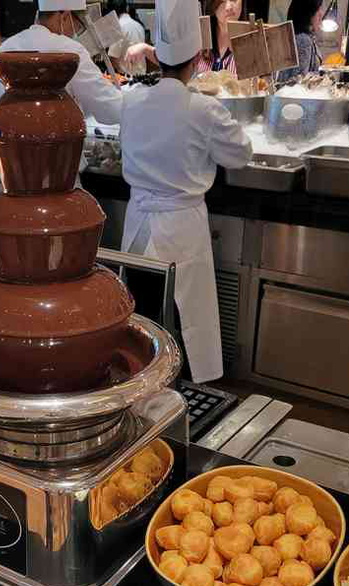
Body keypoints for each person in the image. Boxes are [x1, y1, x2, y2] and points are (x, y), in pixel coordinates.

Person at [120, 0, 252, 384]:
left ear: (156, 58)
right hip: (181, 226)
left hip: (138, 222)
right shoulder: (204, 109)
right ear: (197, 59)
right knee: (185, 320)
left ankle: (140, 388)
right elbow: (240, 154)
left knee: (141, 316)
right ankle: (185, 394)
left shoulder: (131, 100)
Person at [0, 0, 122, 125]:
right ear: (64, 16)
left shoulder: (5, 47)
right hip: (58, 145)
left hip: (9, 145)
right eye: (78, 26)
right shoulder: (70, 50)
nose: (76, 32)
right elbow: (110, 109)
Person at [278, 0, 325, 82]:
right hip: (294, 93)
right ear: (308, 14)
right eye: (318, 10)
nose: (321, 14)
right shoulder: (303, 40)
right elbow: (298, 80)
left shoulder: (301, 37)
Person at [194, 0, 245, 76]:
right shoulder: (199, 37)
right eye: (222, 1)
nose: (229, 7)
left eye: (233, 0)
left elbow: (263, 83)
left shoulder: (254, 40)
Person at [107, 0, 149, 75]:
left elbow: (112, 57)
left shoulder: (118, 27)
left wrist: (121, 73)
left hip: (127, 78)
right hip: (142, 74)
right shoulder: (139, 26)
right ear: (127, 8)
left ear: (111, 12)